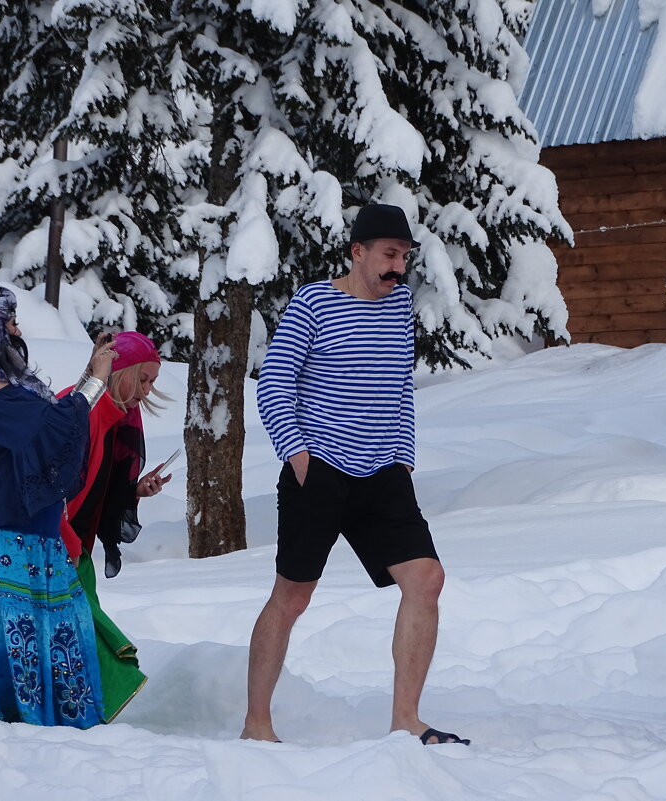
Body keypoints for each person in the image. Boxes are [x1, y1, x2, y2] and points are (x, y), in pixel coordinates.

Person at [243, 203, 465, 746]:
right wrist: (299, 457)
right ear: (357, 252)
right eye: (389, 255)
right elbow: (273, 383)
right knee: (292, 596)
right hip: (318, 471)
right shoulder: (314, 302)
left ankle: (406, 721)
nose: (398, 266)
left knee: (426, 579)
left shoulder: (399, 308)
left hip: (382, 473)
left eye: (405, 256)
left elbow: (398, 388)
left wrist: (404, 455)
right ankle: (257, 723)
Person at [0, 285, 116, 726]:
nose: (17, 330)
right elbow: (45, 436)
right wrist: (97, 382)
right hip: (6, 537)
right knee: (23, 638)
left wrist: (89, 378)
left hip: (16, 535)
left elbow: (48, 425)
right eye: (8, 322)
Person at [58, 331, 173, 721]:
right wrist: (67, 543)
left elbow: (97, 490)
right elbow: (47, 488)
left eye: (153, 382)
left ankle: (75, 711)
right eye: (143, 379)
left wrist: (135, 490)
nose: (147, 391)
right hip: (52, 544)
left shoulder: (120, 419)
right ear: (118, 369)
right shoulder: (78, 410)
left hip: (75, 548)